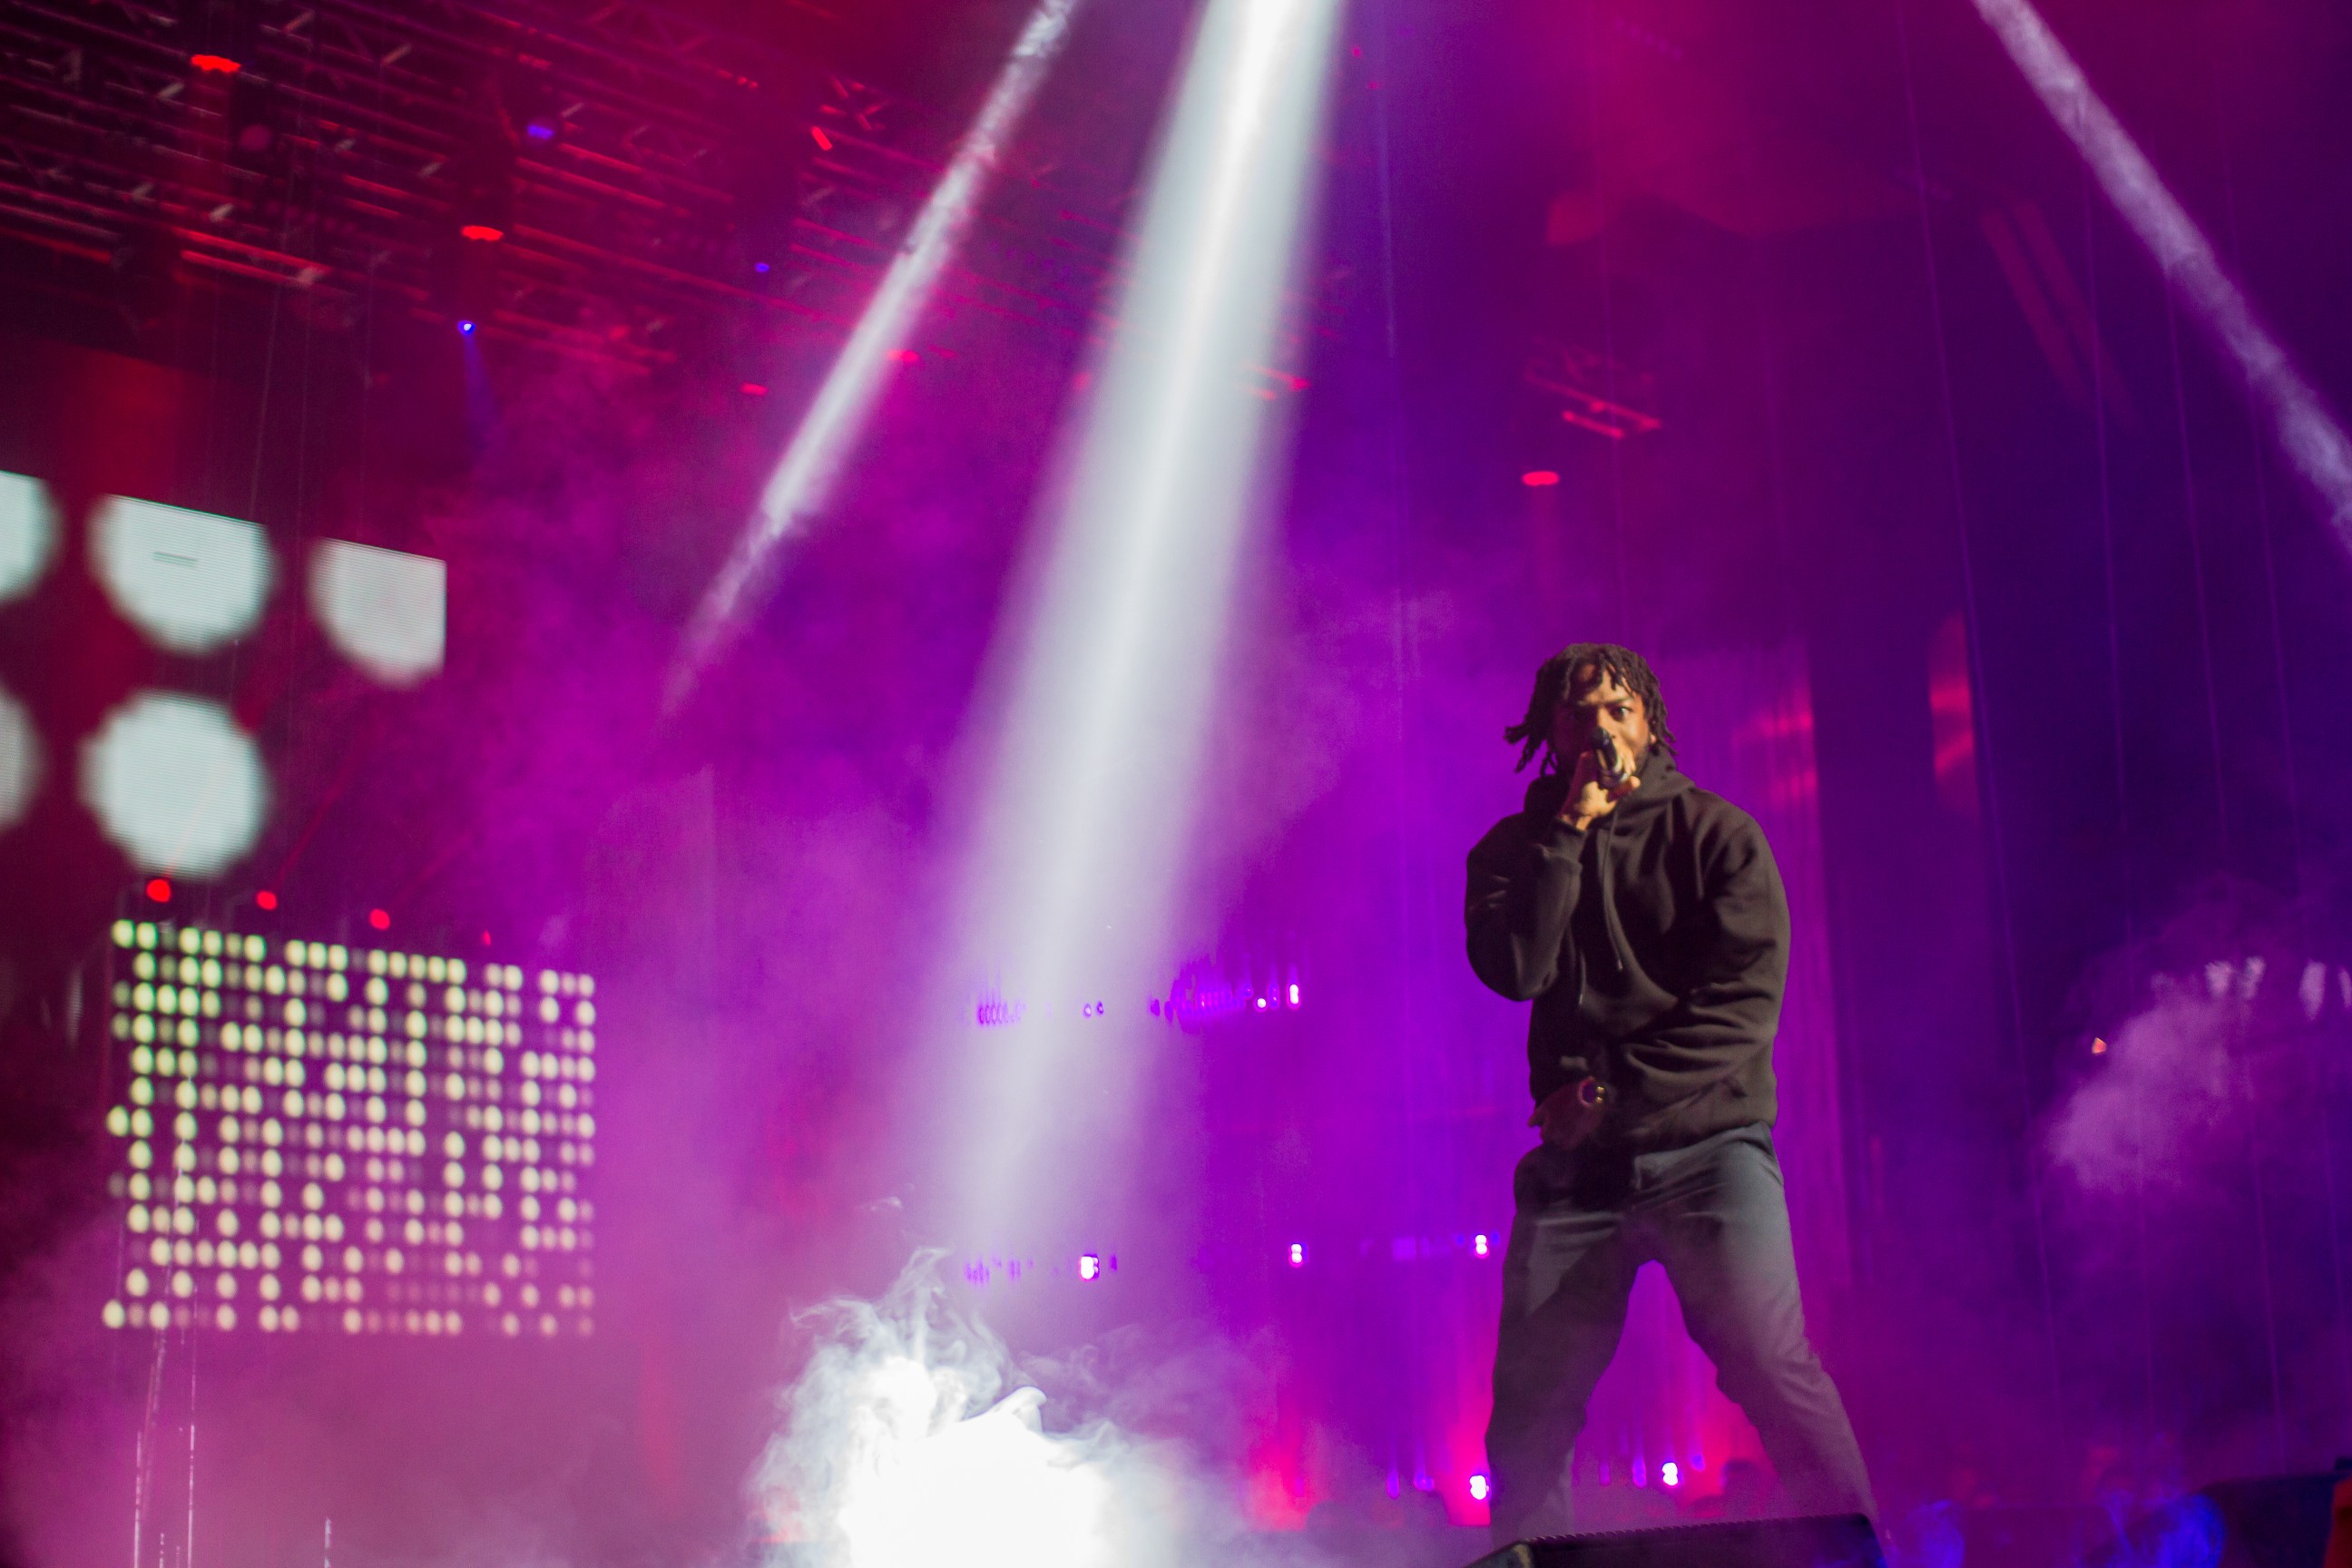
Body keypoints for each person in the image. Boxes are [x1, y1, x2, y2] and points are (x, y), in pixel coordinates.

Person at [1465, 642, 1873, 1540]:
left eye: (1619, 710)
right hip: (1579, 1175)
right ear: (1550, 733)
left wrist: (1606, 1094)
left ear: (1650, 723)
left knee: (1772, 1369)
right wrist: (1568, 836)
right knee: (1529, 1411)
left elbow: (1743, 1012)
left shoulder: (1718, 835)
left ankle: (1854, 1556)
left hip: (1710, 1151)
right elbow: (1517, 971)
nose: (1600, 729)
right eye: (1580, 714)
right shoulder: (1511, 852)